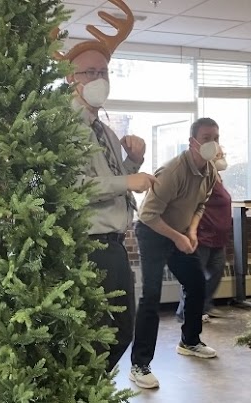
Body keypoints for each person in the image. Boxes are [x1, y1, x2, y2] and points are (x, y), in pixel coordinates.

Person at [57, 0, 157, 372]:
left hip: (115, 245)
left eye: (103, 72)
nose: (98, 79)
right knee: (100, 335)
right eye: (88, 73)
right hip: (89, 246)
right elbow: (73, 186)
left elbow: (116, 184)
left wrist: (134, 161)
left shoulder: (104, 130)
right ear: (71, 78)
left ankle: (92, 389)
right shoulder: (63, 128)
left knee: (118, 332)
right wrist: (128, 178)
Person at [129, 118, 220, 389]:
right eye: (206, 138)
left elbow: (201, 204)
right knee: (151, 295)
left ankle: (189, 341)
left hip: (179, 233)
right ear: (192, 141)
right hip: (152, 232)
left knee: (196, 283)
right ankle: (139, 365)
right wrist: (178, 237)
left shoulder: (211, 170)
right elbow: (147, 215)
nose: (212, 143)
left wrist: (191, 232)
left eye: (215, 136)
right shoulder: (173, 171)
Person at [175, 146, 232, 323]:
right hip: (202, 235)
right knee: (194, 277)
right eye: (220, 155)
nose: (223, 158)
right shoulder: (202, 177)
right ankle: (186, 312)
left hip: (218, 237)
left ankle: (203, 306)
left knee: (215, 271)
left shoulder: (216, 177)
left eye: (223, 154)